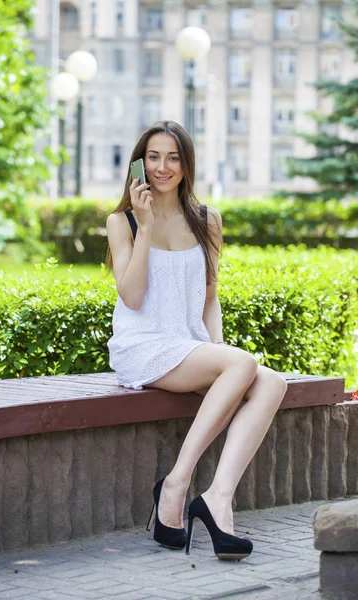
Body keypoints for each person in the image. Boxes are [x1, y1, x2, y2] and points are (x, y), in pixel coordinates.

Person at [105, 120, 287, 561]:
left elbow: (210, 298)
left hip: (189, 345)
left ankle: (218, 498)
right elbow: (130, 297)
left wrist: (221, 354)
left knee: (273, 383)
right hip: (144, 345)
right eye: (153, 157)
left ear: (187, 164)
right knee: (243, 366)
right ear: (139, 163)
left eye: (173, 157)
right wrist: (145, 227)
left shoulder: (207, 220)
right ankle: (176, 483)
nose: (162, 167)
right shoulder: (122, 221)